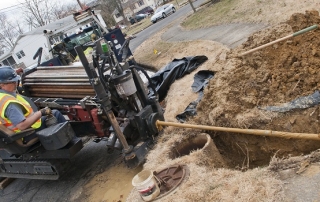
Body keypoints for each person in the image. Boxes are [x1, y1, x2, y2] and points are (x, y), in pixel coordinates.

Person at [0, 66, 66, 144]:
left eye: (16, 81)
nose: (16, 84)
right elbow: (22, 126)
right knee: (56, 114)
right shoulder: (9, 103)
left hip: (17, 134)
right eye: (12, 82)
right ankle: (70, 142)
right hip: (25, 134)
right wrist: (41, 112)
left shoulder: (3, 96)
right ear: (2, 85)